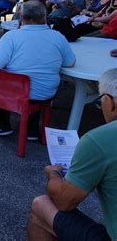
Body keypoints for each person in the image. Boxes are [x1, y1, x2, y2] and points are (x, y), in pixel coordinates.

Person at [27, 68, 117, 241]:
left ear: (109, 101)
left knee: (41, 205)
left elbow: (64, 201)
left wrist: (53, 173)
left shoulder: (98, 140)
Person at [0, 0, 75, 138]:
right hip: (45, 93)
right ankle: (31, 128)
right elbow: (70, 62)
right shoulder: (58, 37)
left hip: (17, 93)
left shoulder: (12, 36)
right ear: (45, 16)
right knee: (37, 83)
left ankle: (1, 123)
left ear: (21, 17)